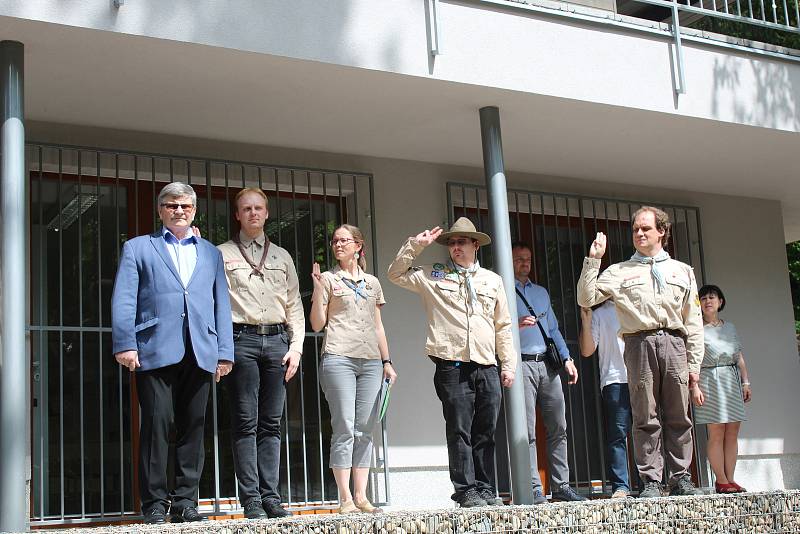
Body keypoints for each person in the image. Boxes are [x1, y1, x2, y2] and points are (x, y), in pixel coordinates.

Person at [111, 182, 234, 524]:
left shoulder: (211, 252)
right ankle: (153, 504)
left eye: (185, 206)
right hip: (153, 349)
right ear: (160, 210)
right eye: (171, 205)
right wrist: (125, 343)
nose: (179, 210)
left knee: (194, 426)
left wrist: (225, 352)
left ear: (194, 210)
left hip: (201, 349)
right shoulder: (138, 248)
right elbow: (124, 297)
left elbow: (221, 303)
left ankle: (185, 502)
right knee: (156, 424)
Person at [387, 217, 516, 508]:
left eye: (461, 242)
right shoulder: (434, 274)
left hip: (486, 364)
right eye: (452, 243)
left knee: (485, 431)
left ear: (475, 245)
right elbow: (395, 274)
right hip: (452, 364)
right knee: (459, 429)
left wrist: (507, 364)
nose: (456, 247)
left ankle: (484, 488)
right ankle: (465, 489)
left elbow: (503, 325)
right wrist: (414, 246)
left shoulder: (492, 281)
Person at [577, 206, 704, 498]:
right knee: (644, 415)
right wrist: (593, 260)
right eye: (635, 229)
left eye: (645, 228)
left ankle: (681, 478)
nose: (639, 233)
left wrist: (694, 364)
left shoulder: (682, 271)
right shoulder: (619, 271)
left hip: (674, 343)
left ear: (662, 231)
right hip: (638, 343)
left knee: (678, 415)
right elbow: (586, 297)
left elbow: (693, 321)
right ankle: (650, 481)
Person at [217, 188, 304, 519]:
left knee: (271, 423)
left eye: (258, 208)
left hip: (278, 342)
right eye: (246, 208)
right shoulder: (221, 253)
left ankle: (271, 496)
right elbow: (213, 302)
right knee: (245, 422)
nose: (253, 213)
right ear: (237, 215)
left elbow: (295, 304)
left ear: (267, 213)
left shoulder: (282, 256)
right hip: (243, 340)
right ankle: (250, 499)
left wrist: (296, 347)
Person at [310, 224, 396, 514]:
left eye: (344, 240)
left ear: (359, 246)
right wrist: (318, 291)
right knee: (344, 427)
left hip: (371, 361)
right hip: (339, 357)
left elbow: (378, 326)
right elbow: (317, 324)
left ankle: (362, 496)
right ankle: (345, 497)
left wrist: (387, 362)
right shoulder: (328, 278)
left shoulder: (373, 283)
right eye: (334, 241)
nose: (337, 245)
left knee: (365, 429)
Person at [511, 242, 586, 504]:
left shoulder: (541, 292)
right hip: (521, 364)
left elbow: (552, 330)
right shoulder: (504, 291)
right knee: (527, 431)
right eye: (519, 259)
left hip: (548, 364)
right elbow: (496, 329)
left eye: (527, 258)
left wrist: (567, 358)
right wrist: (516, 326)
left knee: (558, 426)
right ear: (509, 261)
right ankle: (532, 487)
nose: (524, 263)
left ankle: (561, 485)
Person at [695, 284, 751, 494]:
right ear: (698, 304)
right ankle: (720, 479)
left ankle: (731, 479)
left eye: (712, 297)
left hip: (731, 379)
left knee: (732, 432)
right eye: (703, 298)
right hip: (709, 379)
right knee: (716, 431)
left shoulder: (730, 327)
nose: (708, 301)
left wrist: (746, 382)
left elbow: (739, 356)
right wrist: (694, 387)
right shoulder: (696, 328)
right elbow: (692, 360)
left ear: (720, 301)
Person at [579, 301, 633, 499]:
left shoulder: (634, 304)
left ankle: (651, 483)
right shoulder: (600, 313)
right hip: (614, 379)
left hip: (642, 376)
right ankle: (621, 486)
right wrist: (586, 323)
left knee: (648, 430)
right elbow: (586, 351)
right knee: (617, 435)